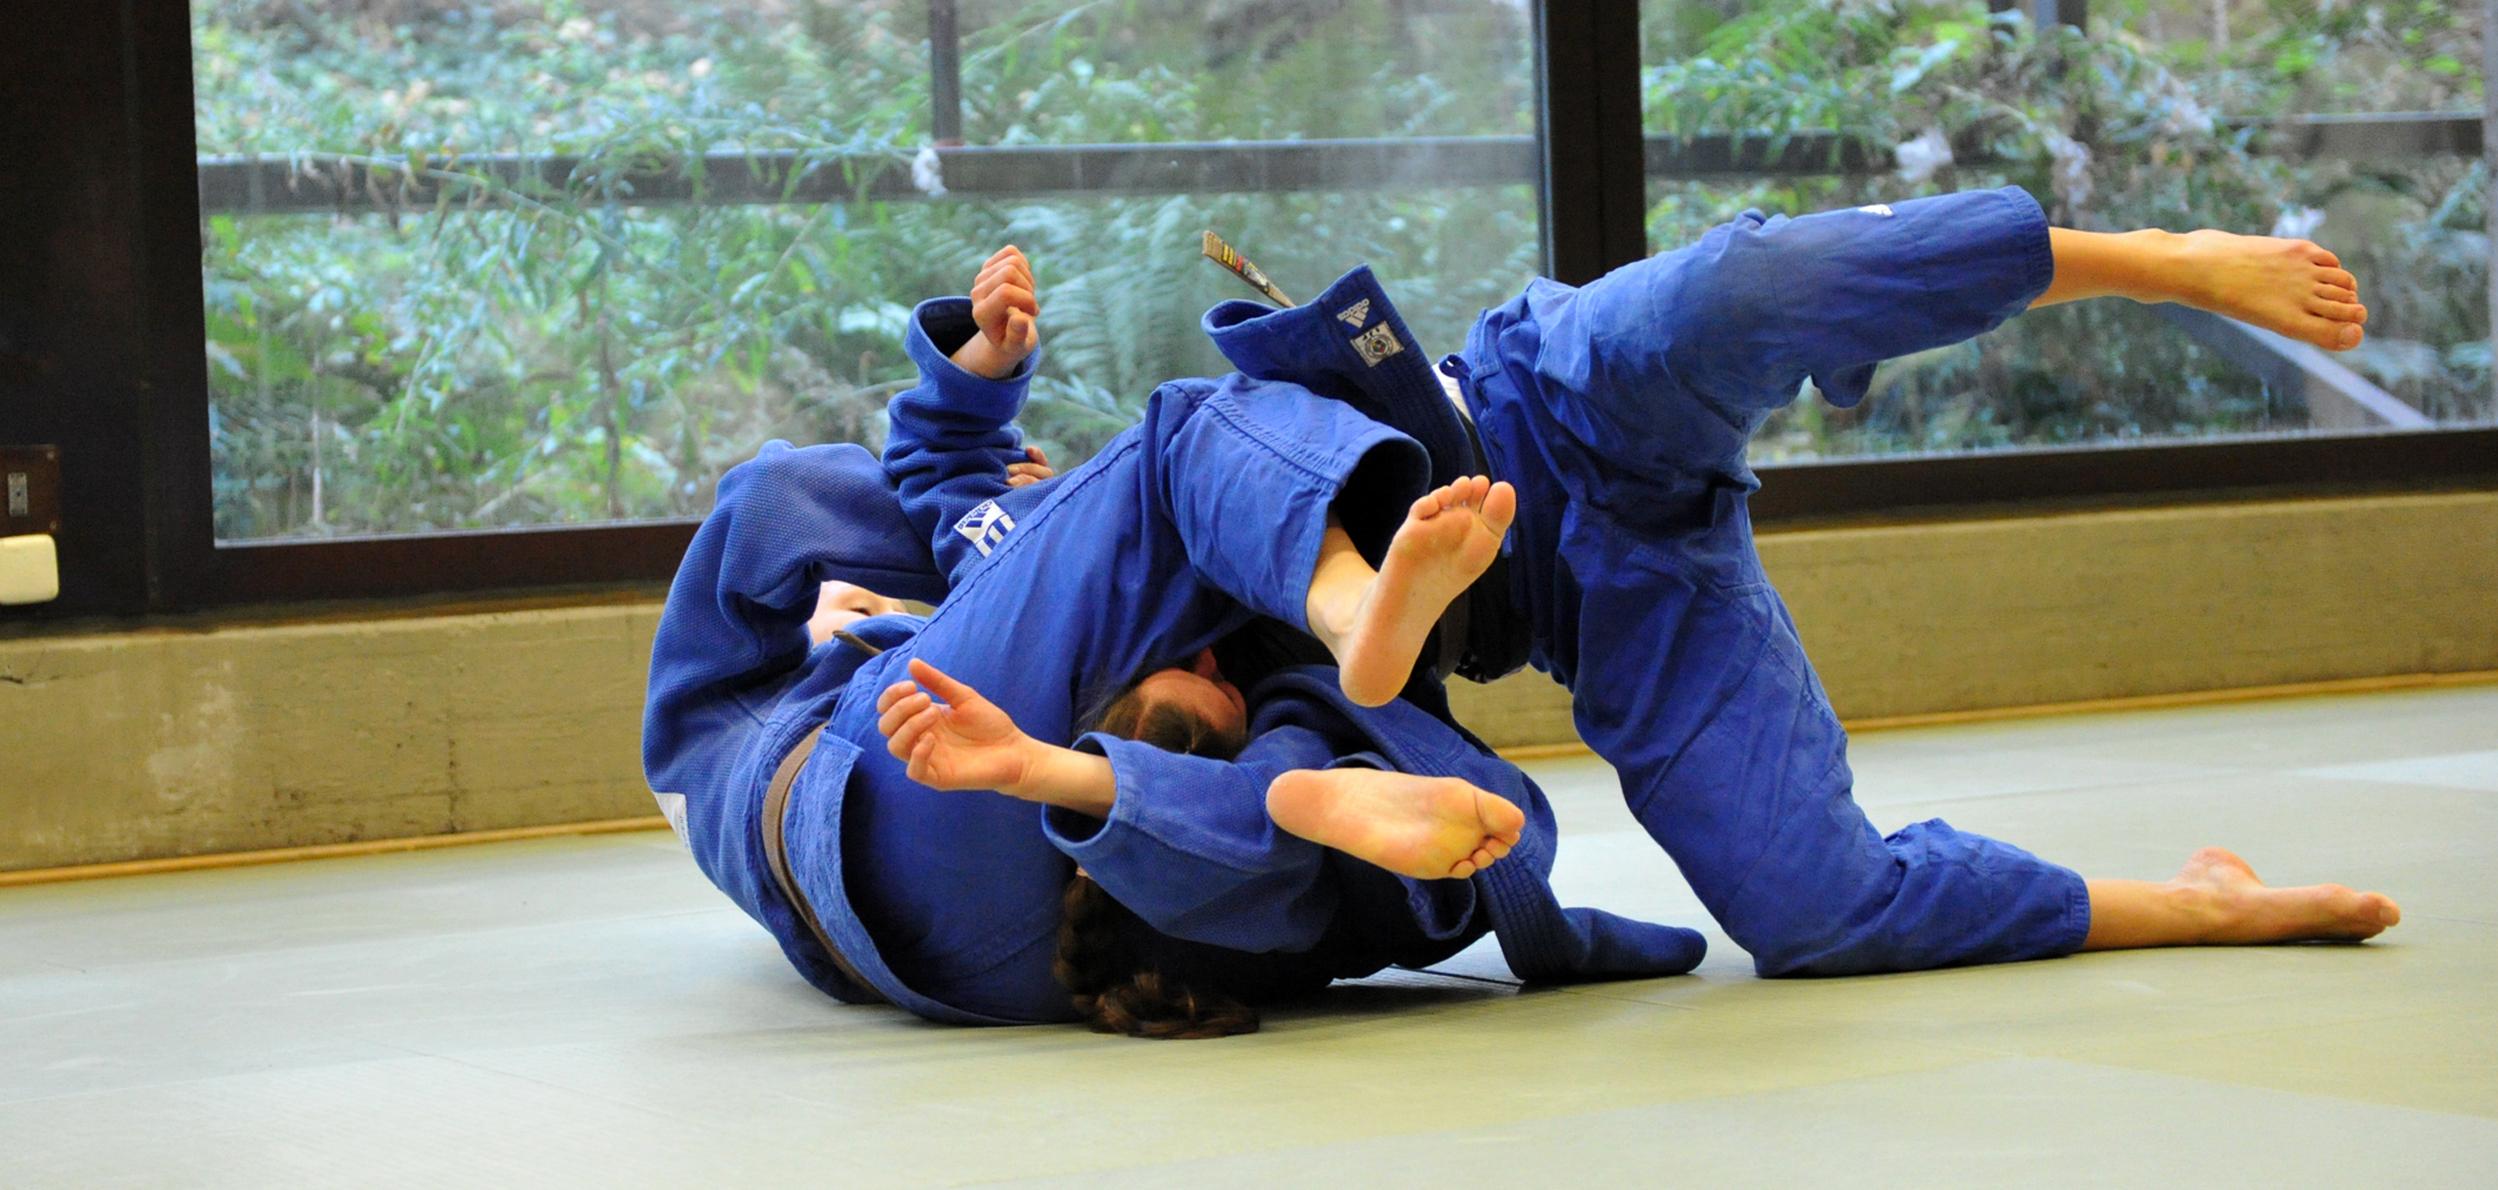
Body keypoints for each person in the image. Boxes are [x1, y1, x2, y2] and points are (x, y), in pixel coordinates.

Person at [880, 186, 2399, 1016]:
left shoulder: (1029, 559)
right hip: (1600, 591)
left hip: (1549, 401)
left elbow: (949, 491)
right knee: (1816, 915)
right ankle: (2193, 902)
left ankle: (2164, 261)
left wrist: (980, 365)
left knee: (1749, 295)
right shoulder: (1250, 722)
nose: (1194, 683)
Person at [641, 245, 1518, 1025]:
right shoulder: (758, 733)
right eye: (864, 616)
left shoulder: (743, 742)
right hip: (926, 804)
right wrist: (1010, 531)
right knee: (1182, 435)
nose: (871, 609)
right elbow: (777, 498)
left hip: (1072, 957)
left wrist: (988, 382)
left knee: (1408, 775)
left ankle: (1273, 786)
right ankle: (1338, 616)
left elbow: (888, 490)